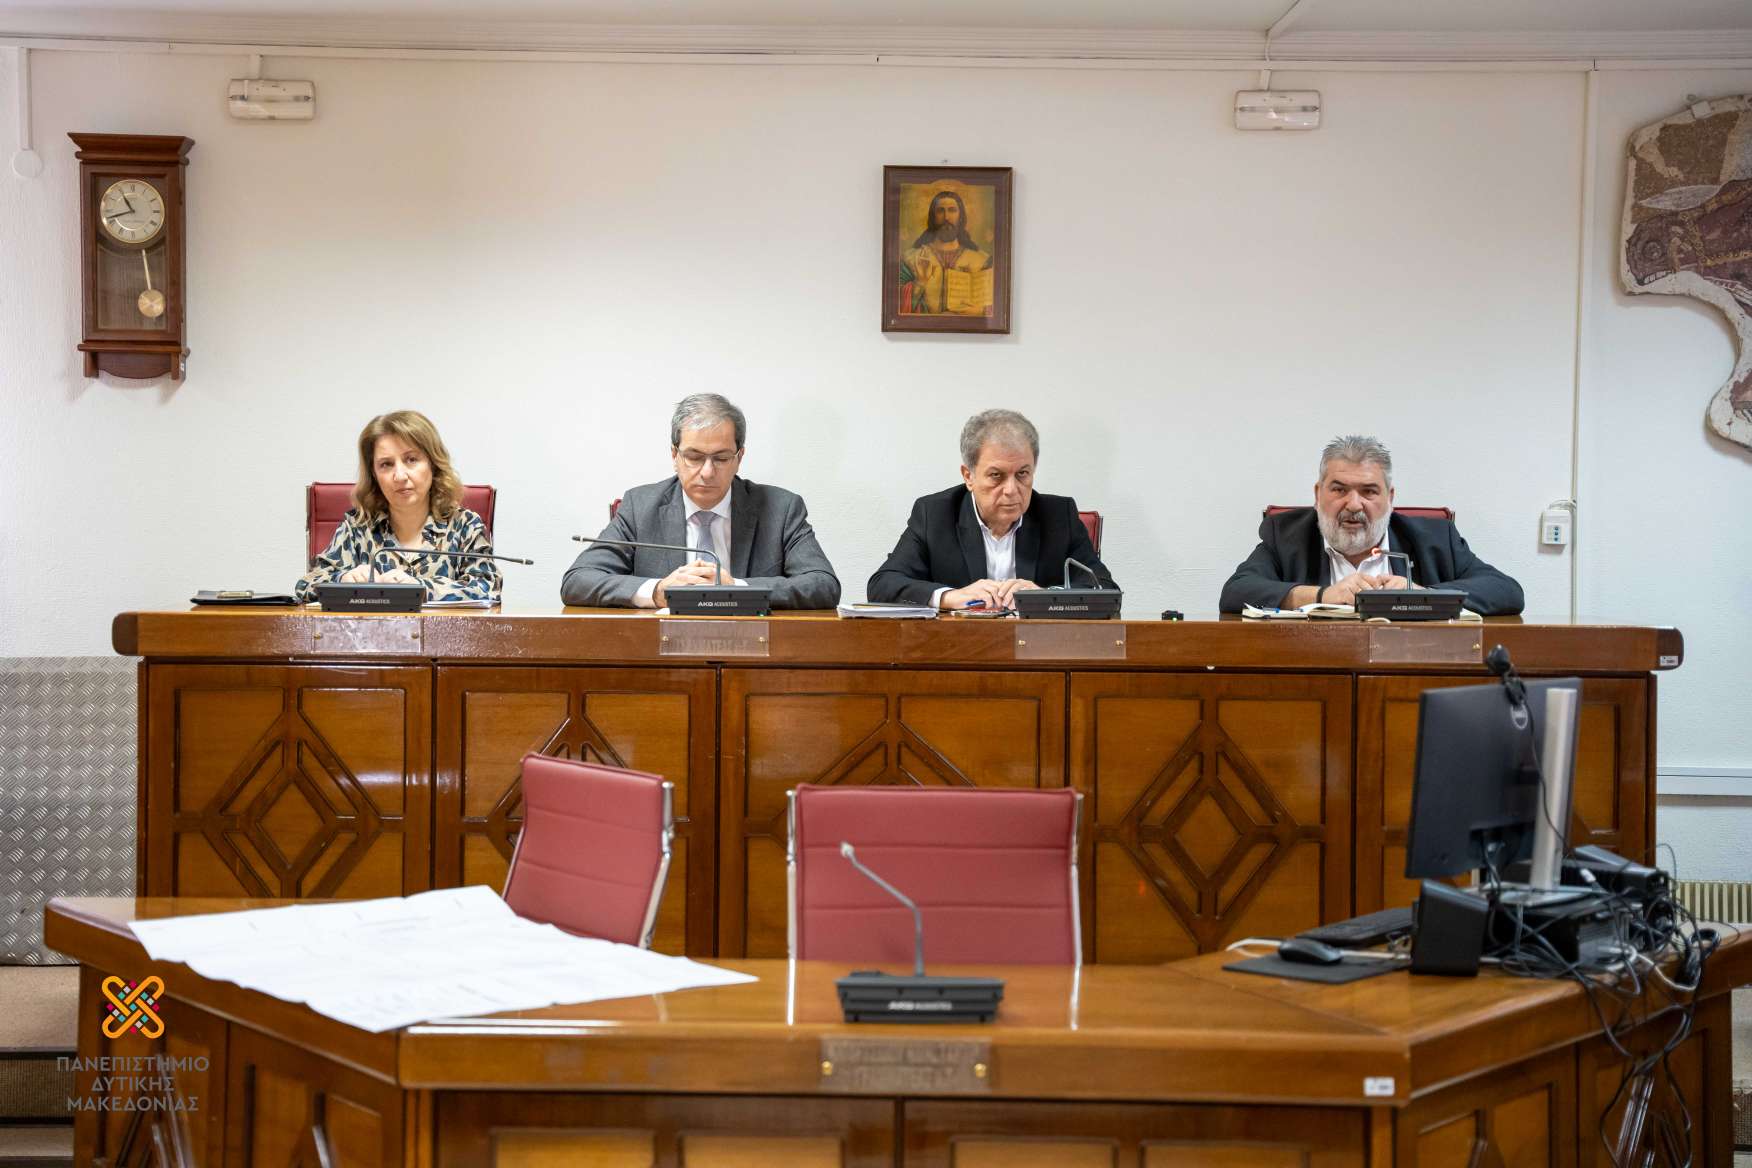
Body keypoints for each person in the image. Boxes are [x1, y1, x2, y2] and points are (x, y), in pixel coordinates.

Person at [562, 393, 840, 610]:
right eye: (694, 457)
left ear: (739, 458)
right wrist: (658, 592)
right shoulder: (640, 507)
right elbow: (578, 580)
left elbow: (823, 584)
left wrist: (738, 589)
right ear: (675, 456)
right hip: (661, 653)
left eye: (721, 458)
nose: (707, 472)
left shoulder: (781, 509)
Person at [1218, 435, 1524, 615]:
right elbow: (1235, 592)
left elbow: (1507, 592)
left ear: (1390, 498)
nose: (1354, 505)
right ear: (1318, 494)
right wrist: (1322, 596)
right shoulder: (1285, 535)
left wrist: (1422, 595)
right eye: (1339, 490)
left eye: (1368, 491)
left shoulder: (1435, 538)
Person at [868, 408, 1115, 609]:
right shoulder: (934, 515)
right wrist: (950, 596)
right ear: (969, 476)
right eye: (996, 475)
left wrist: (1045, 596)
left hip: (1038, 650)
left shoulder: (1058, 516)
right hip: (958, 648)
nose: (1011, 489)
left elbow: (1105, 590)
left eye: (1023, 474)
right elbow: (882, 585)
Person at [295, 410, 500, 603]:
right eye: (386, 464)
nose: (400, 476)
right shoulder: (358, 527)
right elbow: (306, 585)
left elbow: (488, 587)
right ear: (374, 474)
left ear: (433, 464)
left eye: (411, 460)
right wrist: (342, 579)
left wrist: (420, 589)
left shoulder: (464, 525)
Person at [900, 189, 993, 315]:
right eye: (940, 211)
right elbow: (897, 306)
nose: (946, 217)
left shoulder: (981, 260)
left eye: (952, 210)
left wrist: (979, 310)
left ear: (961, 216)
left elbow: (994, 306)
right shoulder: (911, 258)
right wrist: (919, 283)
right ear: (933, 217)